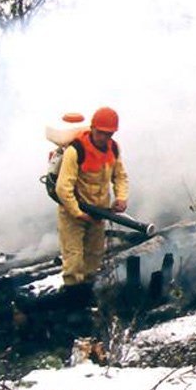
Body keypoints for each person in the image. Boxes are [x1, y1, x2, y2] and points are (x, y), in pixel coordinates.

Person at [54, 106, 130, 303]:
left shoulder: (113, 149)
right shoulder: (75, 150)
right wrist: (77, 212)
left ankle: (87, 297)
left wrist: (121, 198)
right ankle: (72, 300)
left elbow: (120, 176)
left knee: (95, 254)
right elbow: (63, 188)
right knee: (74, 257)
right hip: (73, 213)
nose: (103, 138)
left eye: (108, 134)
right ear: (93, 128)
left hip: (99, 212)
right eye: (100, 133)